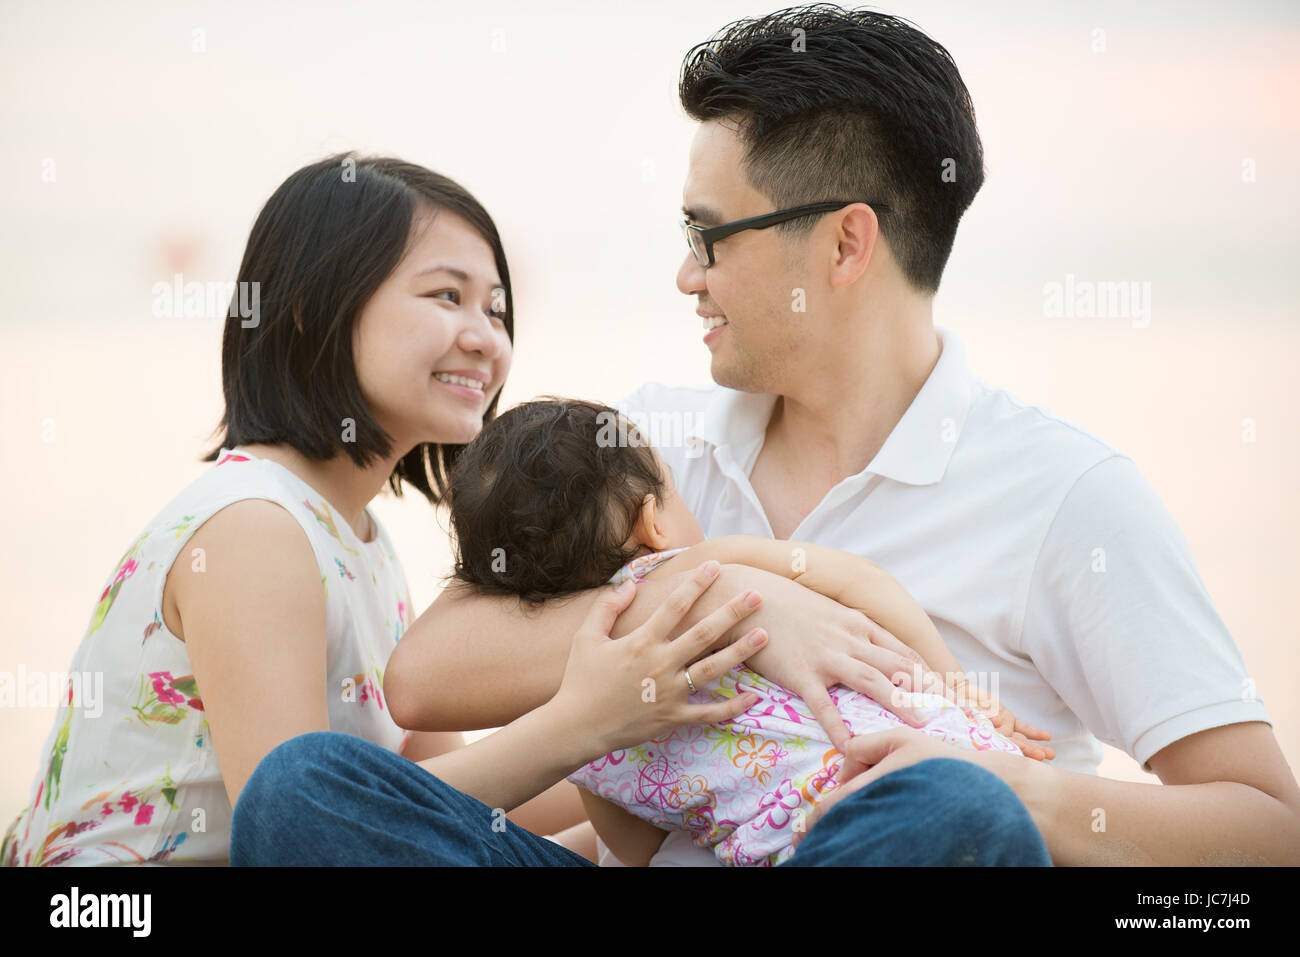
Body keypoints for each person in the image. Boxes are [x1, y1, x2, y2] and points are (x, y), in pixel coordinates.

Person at [384, 6, 1300, 866]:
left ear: (844, 246)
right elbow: (426, 675)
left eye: (710, 237)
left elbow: (1268, 826)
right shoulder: (648, 447)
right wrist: (736, 599)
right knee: (311, 785)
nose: (684, 276)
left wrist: (1012, 787)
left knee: (950, 815)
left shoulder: (1065, 492)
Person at [0, 153, 518, 864]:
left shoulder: (361, 539)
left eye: (494, 308)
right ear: (312, 308)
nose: (485, 337)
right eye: (445, 296)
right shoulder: (255, 529)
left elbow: (451, 804)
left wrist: (644, 746)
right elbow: (303, 831)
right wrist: (583, 722)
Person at [442, 396, 1055, 866]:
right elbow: (864, 581)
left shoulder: (574, 714)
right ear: (652, 521)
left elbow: (636, 850)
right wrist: (958, 689)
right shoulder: (708, 569)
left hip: (812, 838)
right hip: (937, 758)